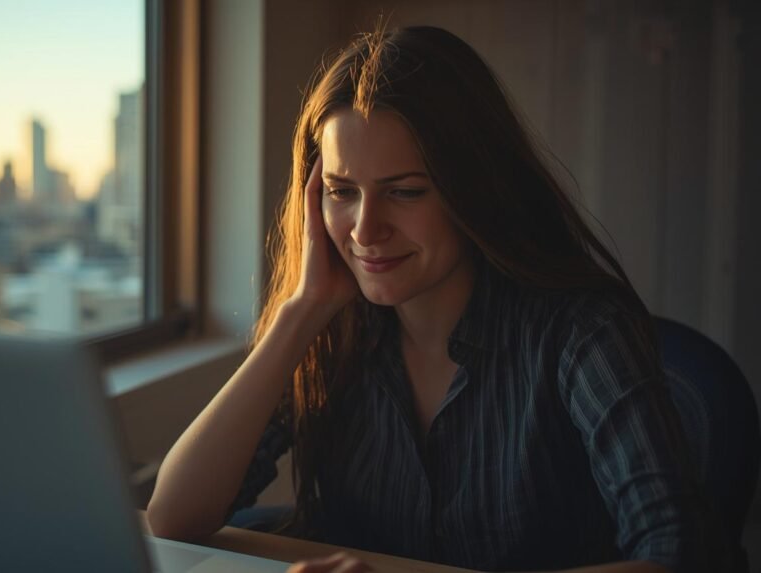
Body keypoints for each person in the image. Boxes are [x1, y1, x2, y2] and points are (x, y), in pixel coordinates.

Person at [146, 25, 728, 573]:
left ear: (474, 190)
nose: (365, 229)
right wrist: (299, 313)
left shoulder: (581, 329)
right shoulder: (335, 332)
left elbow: (679, 553)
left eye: (404, 192)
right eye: (341, 192)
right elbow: (172, 520)